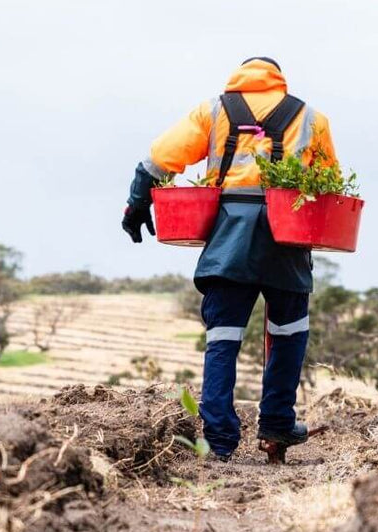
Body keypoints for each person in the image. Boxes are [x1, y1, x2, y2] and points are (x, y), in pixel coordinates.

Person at [121, 57, 338, 461]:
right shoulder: (311, 118)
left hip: (229, 239)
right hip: (285, 241)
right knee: (289, 333)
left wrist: (136, 204)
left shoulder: (213, 110)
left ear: (239, 78)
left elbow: (158, 158)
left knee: (222, 338)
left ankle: (219, 442)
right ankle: (276, 427)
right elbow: (329, 184)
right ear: (278, 79)